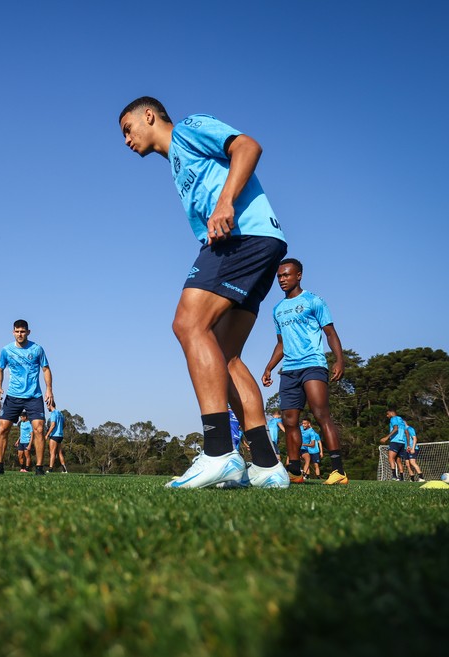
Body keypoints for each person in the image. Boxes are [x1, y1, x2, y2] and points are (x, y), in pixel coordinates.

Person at [119, 97, 288, 489]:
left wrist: (225, 201)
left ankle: (217, 451)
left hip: (241, 237)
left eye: (128, 128)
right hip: (260, 243)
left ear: (149, 116)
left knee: (188, 323)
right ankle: (266, 466)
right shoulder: (175, 162)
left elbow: (247, 146)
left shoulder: (190, 128)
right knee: (225, 357)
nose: (126, 139)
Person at [261, 258, 348, 485]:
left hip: (313, 364)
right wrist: (269, 367)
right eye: (279, 276)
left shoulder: (314, 301)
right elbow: (281, 344)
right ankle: (295, 472)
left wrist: (339, 360)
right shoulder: (277, 309)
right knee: (290, 421)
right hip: (289, 370)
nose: (282, 279)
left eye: (287, 275)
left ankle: (338, 471)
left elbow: (330, 333)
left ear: (298, 275)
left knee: (321, 415)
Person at [0, 320, 52, 475]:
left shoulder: (37, 349)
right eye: (17, 331)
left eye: (23, 331)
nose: (20, 334)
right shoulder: (6, 350)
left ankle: (39, 468)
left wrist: (49, 390)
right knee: (3, 429)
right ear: (13, 332)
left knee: (38, 429)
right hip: (13, 396)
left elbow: (45, 369)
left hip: (34, 396)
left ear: (28, 332)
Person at [380, 408, 409, 481]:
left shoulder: (393, 419)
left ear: (391, 413)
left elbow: (395, 429)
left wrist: (386, 437)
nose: (387, 416)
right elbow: (407, 433)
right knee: (398, 460)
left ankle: (394, 476)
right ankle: (402, 478)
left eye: (387, 414)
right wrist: (407, 444)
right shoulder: (402, 420)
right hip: (402, 442)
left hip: (395, 441)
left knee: (391, 458)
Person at [45, 401, 67, 472]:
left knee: (52, 452)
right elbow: (64, 424)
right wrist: (60, 430)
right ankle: (64, 469)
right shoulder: (60, 413)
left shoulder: (53, 413)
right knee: (59, 452)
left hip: (54, 435)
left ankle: (51, 469)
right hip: (60, 435)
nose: (47, 407)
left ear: (50, 405)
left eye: (47, 406)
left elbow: (53, 425)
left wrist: (47, 434)